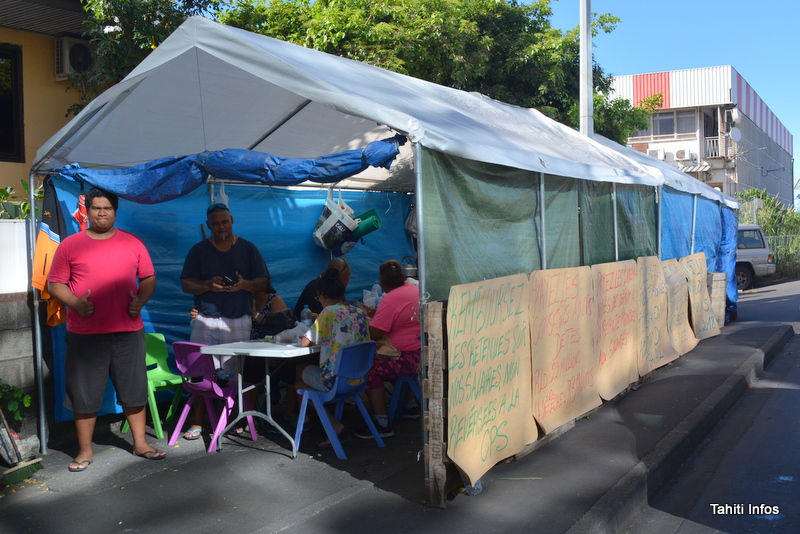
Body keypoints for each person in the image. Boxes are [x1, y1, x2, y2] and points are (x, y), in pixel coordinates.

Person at [48, 187, 164, 472]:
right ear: (86, 211)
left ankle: (140, 443)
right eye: (97, 208)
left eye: (107, 208)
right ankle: (84, 451)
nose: (102, 213)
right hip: (85, 335)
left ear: (115, 211)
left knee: (133, 389)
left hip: (127, 331)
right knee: (84, 395)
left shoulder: (133, 243)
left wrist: (140, 301)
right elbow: (55, 284)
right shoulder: (70, 245)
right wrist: (75, 303)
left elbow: (148, 277)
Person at [178, 202, 270, 440]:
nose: (220, 227)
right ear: (208, 225)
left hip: (238, 319)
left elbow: (264, 283)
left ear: (232, 220)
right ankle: (198, 422)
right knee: (198, 373)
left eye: (224, 221)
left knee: (235, 374)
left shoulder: (248, 249)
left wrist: (244, 285)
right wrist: (209, 285)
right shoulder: (198, 251)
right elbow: (186, 285)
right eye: (215, 223)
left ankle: (234, 418)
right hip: (205, 319)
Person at [293, 268, 369, 445]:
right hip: (358, 379)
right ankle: (311, 420)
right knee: (303, 375)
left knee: (298, 380)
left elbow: (305, 343)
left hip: (334, 381)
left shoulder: (328, 313)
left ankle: (321, 423)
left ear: (322, 297)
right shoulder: (359, 313)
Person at [354, 260, 421, 439]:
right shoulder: (413, 289)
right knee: (386, 361)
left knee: (368, 369)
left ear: (382, 281)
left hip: (407, 359)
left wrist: (363, 323)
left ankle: (381, 424)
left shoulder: (391, 298)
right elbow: (401, 315)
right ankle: (410, 406)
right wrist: (379, 313)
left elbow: (375, 334)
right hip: (421, 354)